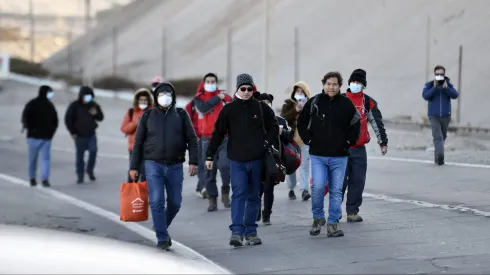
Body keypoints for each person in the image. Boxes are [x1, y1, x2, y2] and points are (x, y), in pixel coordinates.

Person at [205, 73, 279, 247]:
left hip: (257, 160)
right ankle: (237, 232)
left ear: (253, 89)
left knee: (253, 196)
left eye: (249, 89)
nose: (246, 92)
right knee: (238, 194)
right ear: (237, 89)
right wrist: (210, 155)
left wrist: (266, 143)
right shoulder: (229, 109)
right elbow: (217, 133)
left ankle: (251, 232)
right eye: (243, 89)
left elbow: (273, 126)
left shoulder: (261, 108)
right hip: (237, 161)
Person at [129, 82, 198, 251]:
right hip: (153, 164)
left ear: (173, 97)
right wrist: (134, 167)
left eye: (168, 93)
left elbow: (192, 139)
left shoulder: (181, 114)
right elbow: (138, 143)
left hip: (175, 165)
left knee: (175, 202)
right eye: (161, 94)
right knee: (157, 201)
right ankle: (162, 237)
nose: (164, 97)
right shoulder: (147, 116)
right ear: (156, 97)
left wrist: (194, 161)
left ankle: (161, 226)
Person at [297, 71, 360, 238]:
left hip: (340, 156)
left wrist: (348, 142)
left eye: (335, 84)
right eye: (328, 84)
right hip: (318, 155)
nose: (331, 87)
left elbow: (355, 124)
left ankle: (333, 223)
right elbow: (301, 123)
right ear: (323, 84)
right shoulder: (314, 102)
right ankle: (318, 218)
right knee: (317, 187)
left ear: (339, 86)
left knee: (336, 190)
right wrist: (308, 140)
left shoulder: (346, 104)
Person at [342, 69, 388, 223]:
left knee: (358, 181)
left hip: (359, 150)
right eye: (354, 82)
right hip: (340, 149)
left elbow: (377, 122)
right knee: (339, 182)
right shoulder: (340, 100)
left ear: (363, 86)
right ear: (349, 83)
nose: (356, 85)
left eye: (359, 83)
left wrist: (383, 142)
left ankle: (352, 212)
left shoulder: (368, 102)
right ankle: (335, 212)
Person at [194, 73, 232, 211]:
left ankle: (225, 192)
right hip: (207, 140)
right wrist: (218, 98)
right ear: (204, 83)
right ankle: (212, 198)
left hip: (223, 138)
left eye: (213, 81)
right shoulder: (199, 99)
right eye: (208, 81)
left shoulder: (225, 98)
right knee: (209, 170)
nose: (211, 83)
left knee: (225, 165)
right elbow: (203, 108)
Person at [256, 92, 294, 225]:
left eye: (268, 103)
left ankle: (266, 214)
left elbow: (290, 137)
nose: (266, 106)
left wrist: (281, 131)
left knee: (269, 187)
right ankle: (256, 210)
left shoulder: (280, 120)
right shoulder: (253, 119)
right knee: (257, 187)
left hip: (274, 158)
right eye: (263, 103)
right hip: (257, 156)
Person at [64, 86, 104, 184]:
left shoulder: (93, 105)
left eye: (90, 96)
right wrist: (72, 132)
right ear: (81, 96)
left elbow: (101, 117)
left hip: (91, 135)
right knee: (80, 157)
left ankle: (89, 170)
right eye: (86, 96)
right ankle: (80, 175)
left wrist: (96, 114)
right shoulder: (74, 105)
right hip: (79, 135)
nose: (88, 98)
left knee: (93, 152)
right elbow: (68, 119)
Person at [21, 85, 58, 187]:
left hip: (33, 136)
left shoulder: (32, 103)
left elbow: (25, 116)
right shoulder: (50, 106)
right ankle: (45, 179)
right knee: (45, 159)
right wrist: (51, 133)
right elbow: (55, 121)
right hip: (46, 137)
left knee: (32, 160)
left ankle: (32, 178)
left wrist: (28, 127)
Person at [280, 81, 312, 201]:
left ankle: (304, 190)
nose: (300, 94)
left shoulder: (310, 105)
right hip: (291, 141)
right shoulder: (288, 105)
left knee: (305, 166)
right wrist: (296, 110)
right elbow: (283, 118)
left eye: (302, 92)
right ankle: (291, 188)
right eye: (298, 91)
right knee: (291, 166)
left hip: (304, 141)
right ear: (294, 93)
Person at [422, 65, 459, 165]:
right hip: (433, 116)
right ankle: (440, 157)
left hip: (446, 116)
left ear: (444, 75)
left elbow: (455, 95)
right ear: (434, 75)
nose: (439, 76)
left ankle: (437, 154)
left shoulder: (448, 85)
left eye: (441, 74)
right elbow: (425, 96)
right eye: (437, 74)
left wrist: (446, 89)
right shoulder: (429, 85)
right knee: (437, 136)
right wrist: (434, 88)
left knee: (442, 136)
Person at [120, 88, 153, 182]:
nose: (143, 102)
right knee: (133, 173)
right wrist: (135, 123)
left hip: (149, 149)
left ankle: (143, 195)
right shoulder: (131, 112)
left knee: (146, 174)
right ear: (137, 100)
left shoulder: (153, 112)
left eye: (145, 100)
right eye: (141, 100)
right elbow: (124, 128)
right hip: (134, 148)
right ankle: (131, 194)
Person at [185, 98, 207, 199]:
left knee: (206, 164)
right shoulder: (192, 105)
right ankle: (203, 187)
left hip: (208, 137)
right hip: (196, 138)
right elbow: (187, 121)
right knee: (201, 163)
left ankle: (202, 186)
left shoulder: (211, 103)